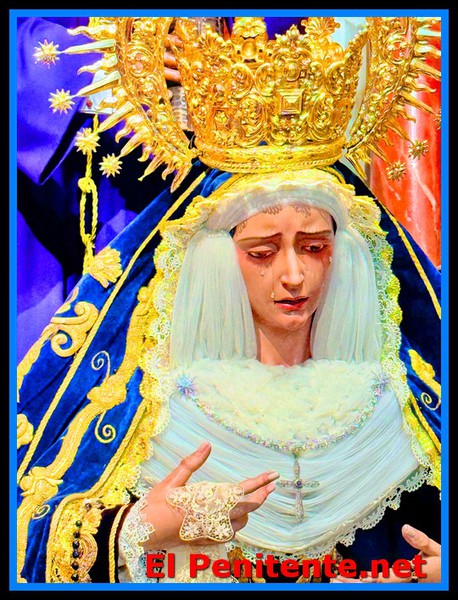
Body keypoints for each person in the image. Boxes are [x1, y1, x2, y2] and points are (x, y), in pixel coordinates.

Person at [16, 15, 442, 585]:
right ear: (215, 259)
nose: (294, 276)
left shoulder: (399, 406)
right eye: (262, 253)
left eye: (315, 247)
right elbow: (34, 535)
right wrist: (137, 530)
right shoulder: (145, 407)